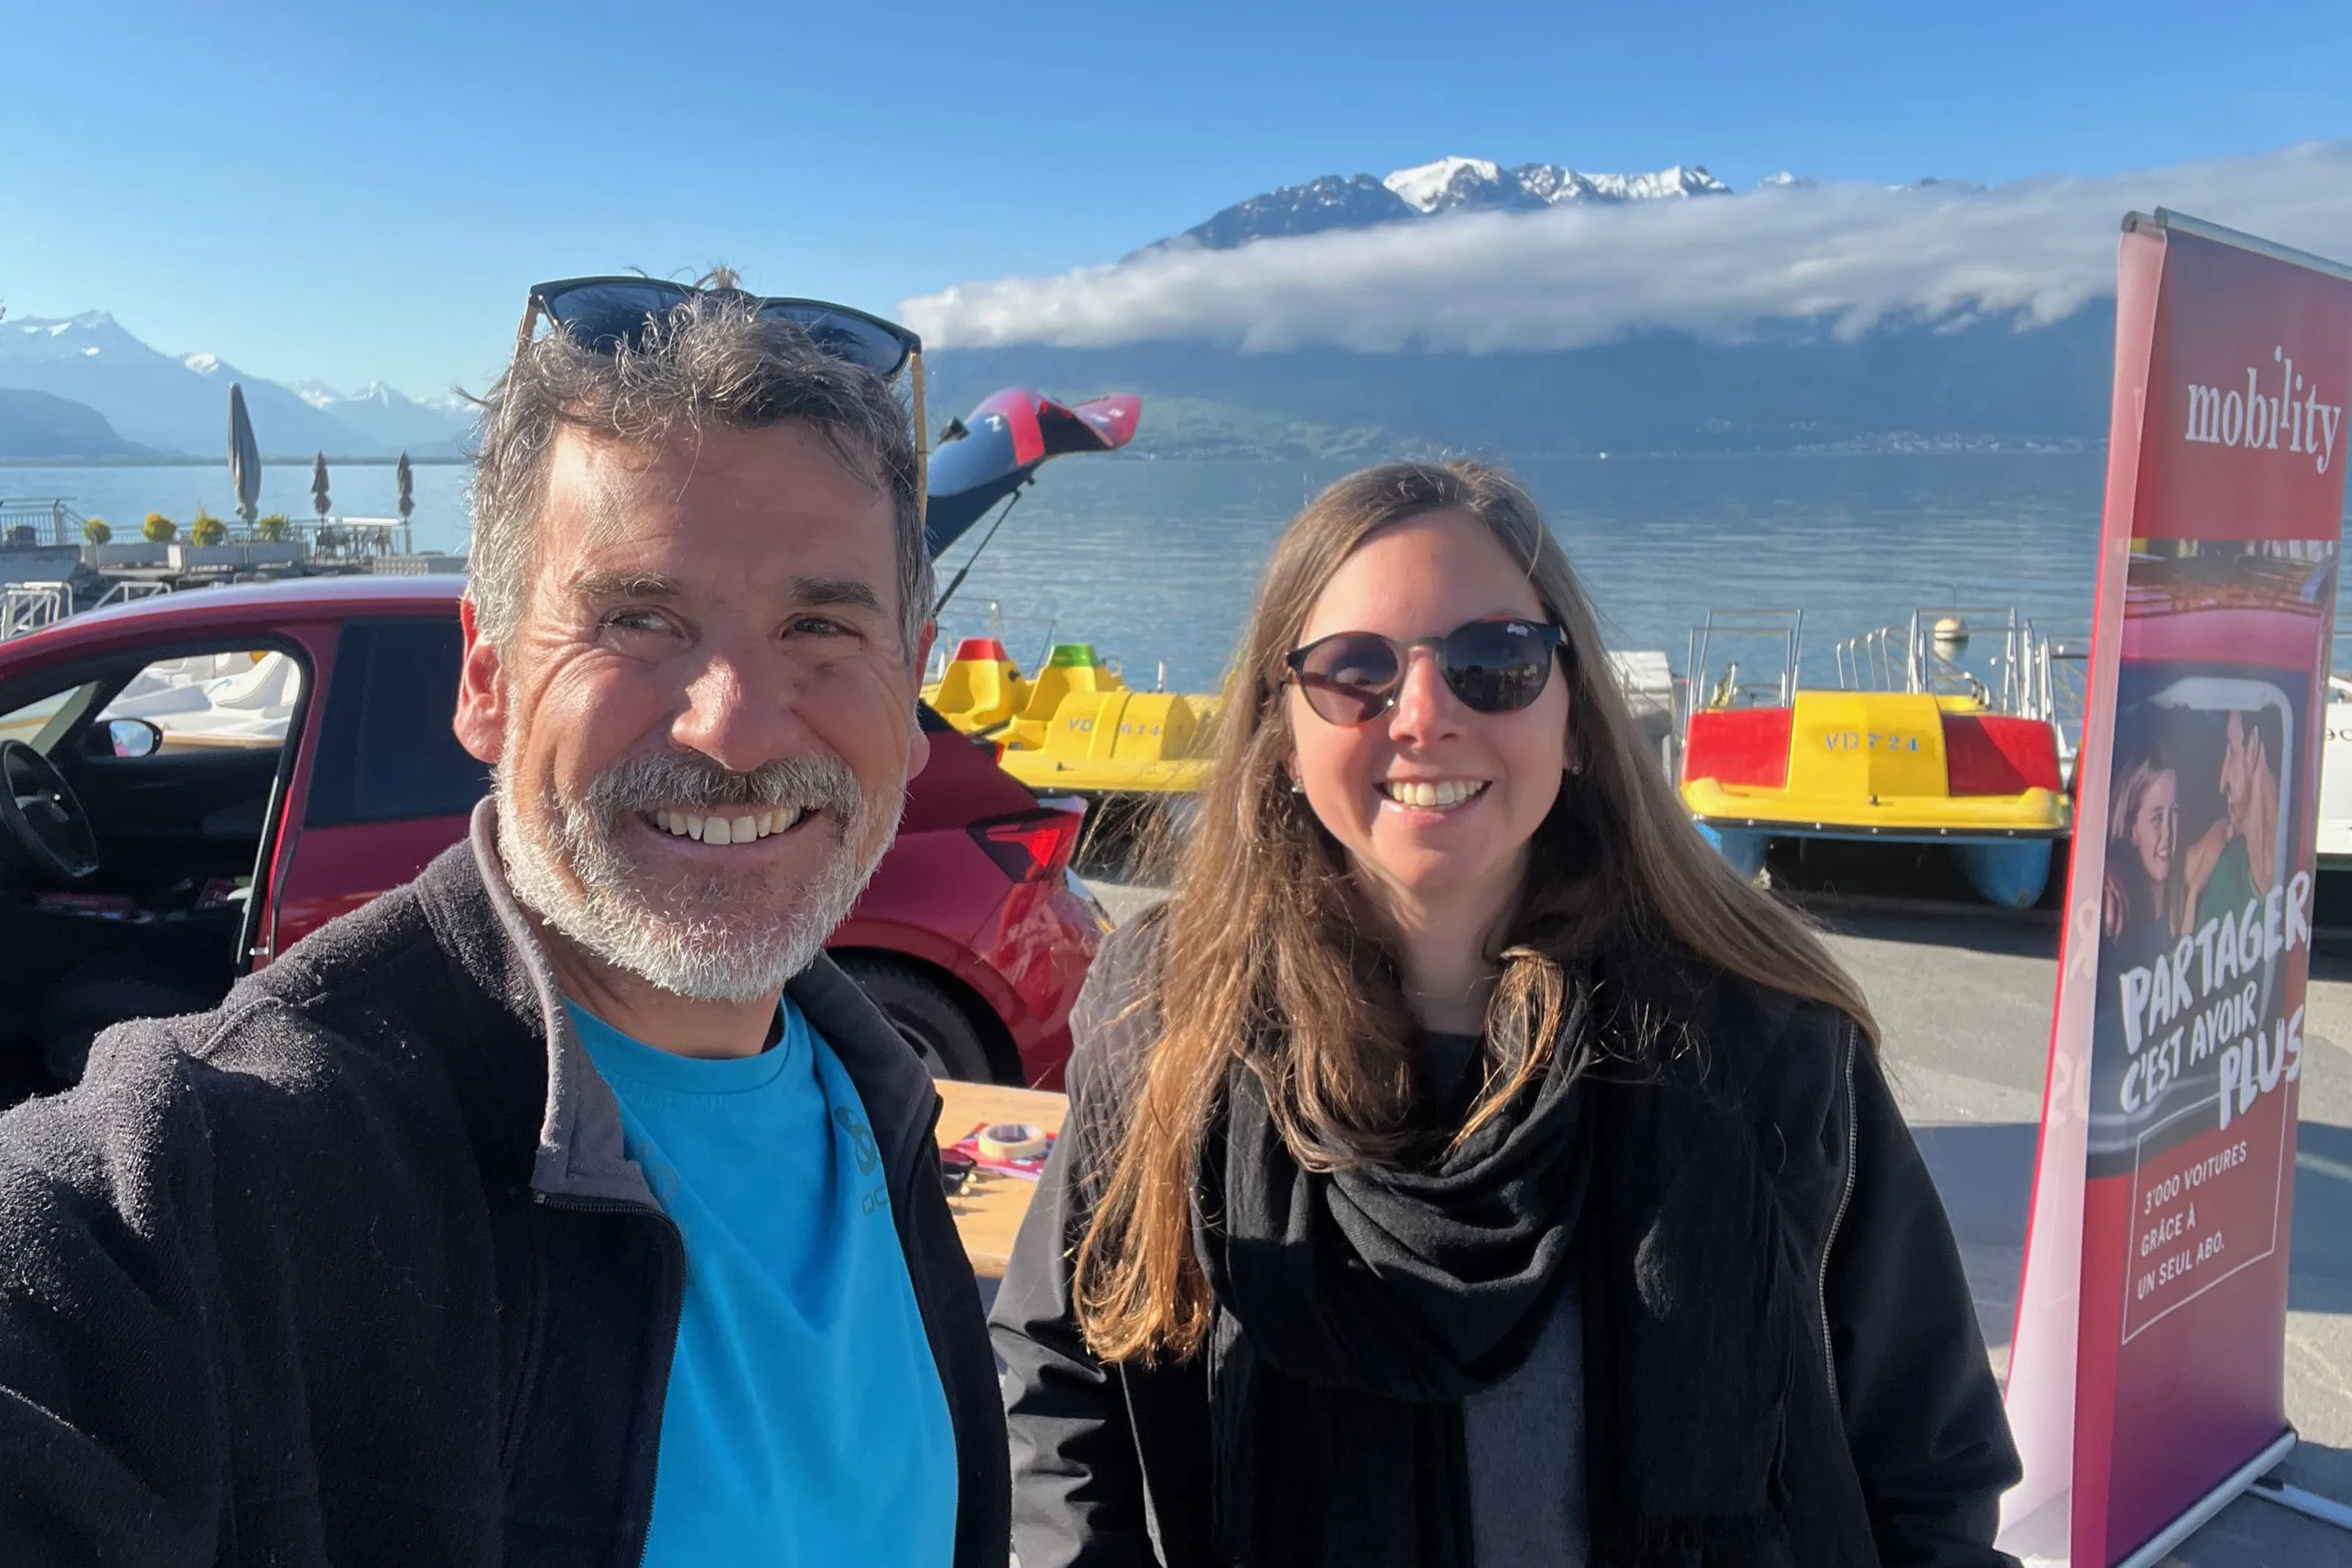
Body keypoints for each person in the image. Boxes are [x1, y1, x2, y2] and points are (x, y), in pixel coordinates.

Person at [0, 280, 1007, 1565]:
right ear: (487, 677)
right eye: (640, 619)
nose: (739, 725)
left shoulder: (877, 1106)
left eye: (821, 626)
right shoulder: (226, 1181)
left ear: (910, 685)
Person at [992, 461, 2019, 1568]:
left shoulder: (1758, 1034)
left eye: (1494, 665)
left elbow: (1929, 1457)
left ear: (1574, 721)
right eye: (1355, 674)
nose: (1425, 717)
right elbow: (1062, 1385)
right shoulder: (1169, 1020)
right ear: (1281, 738)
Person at [2184, 705, 2284, 933]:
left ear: (2253, 749)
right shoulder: (2224, 875)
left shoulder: (2297, 873)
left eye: (2231, 749)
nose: (2222, 781)